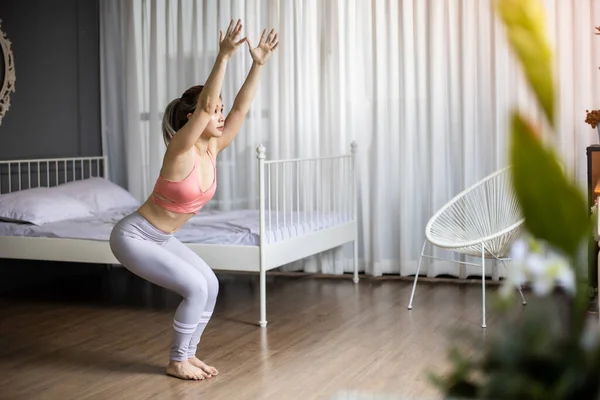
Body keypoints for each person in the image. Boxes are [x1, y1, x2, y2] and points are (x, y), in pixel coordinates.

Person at [109, 19, 279, 381]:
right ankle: (176, 359)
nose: (219, 116)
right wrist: (223, 57)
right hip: (133, 237)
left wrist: (258, 64)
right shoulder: (180, 149)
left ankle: (187, 355)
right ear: (193, 119)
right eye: (213, 111)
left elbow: (239, 111)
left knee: (211, 285)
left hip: (161, 238)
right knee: (195, 287)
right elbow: (205, 110)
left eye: (219, 111)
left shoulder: (212, 148)